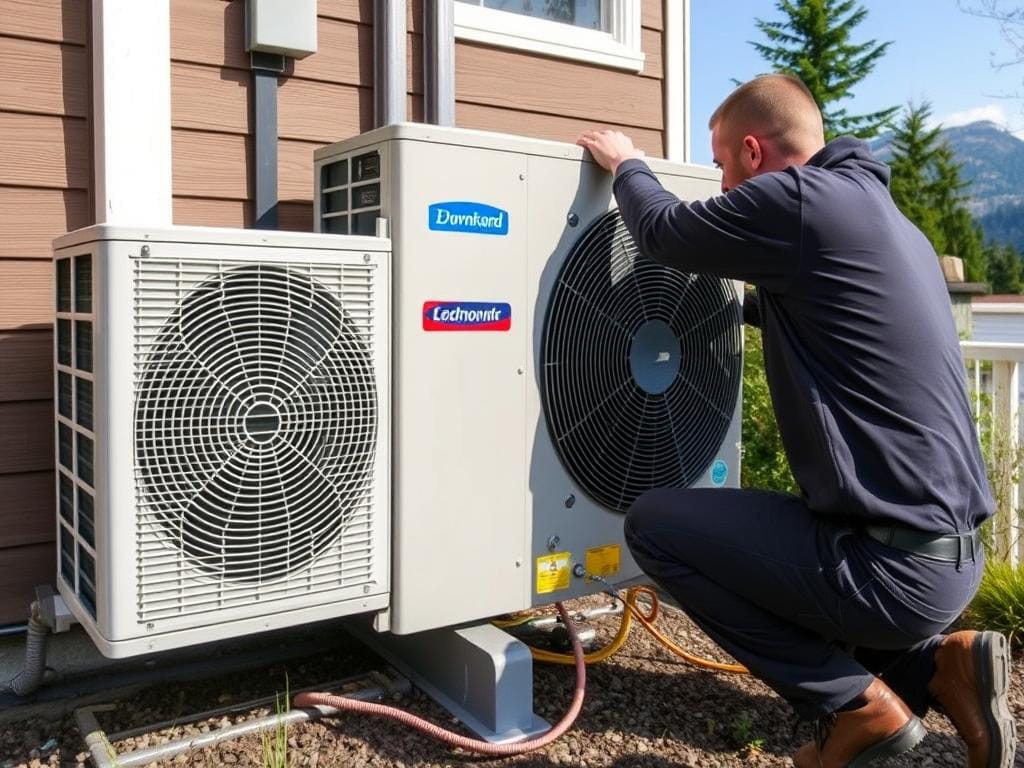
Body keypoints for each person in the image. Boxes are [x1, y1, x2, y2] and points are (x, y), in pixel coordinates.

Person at [576, 74, 1016, 768]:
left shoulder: (798, 199)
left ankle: (854, 707)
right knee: (784, 552)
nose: (723, 187)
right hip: (951, 561)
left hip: (889, 570)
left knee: (656, 527)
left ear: (753, 151)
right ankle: (939, 666)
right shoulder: (885, 220)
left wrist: (627, 163)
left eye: (722, 166)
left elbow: (663, 232)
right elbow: (814, 315)